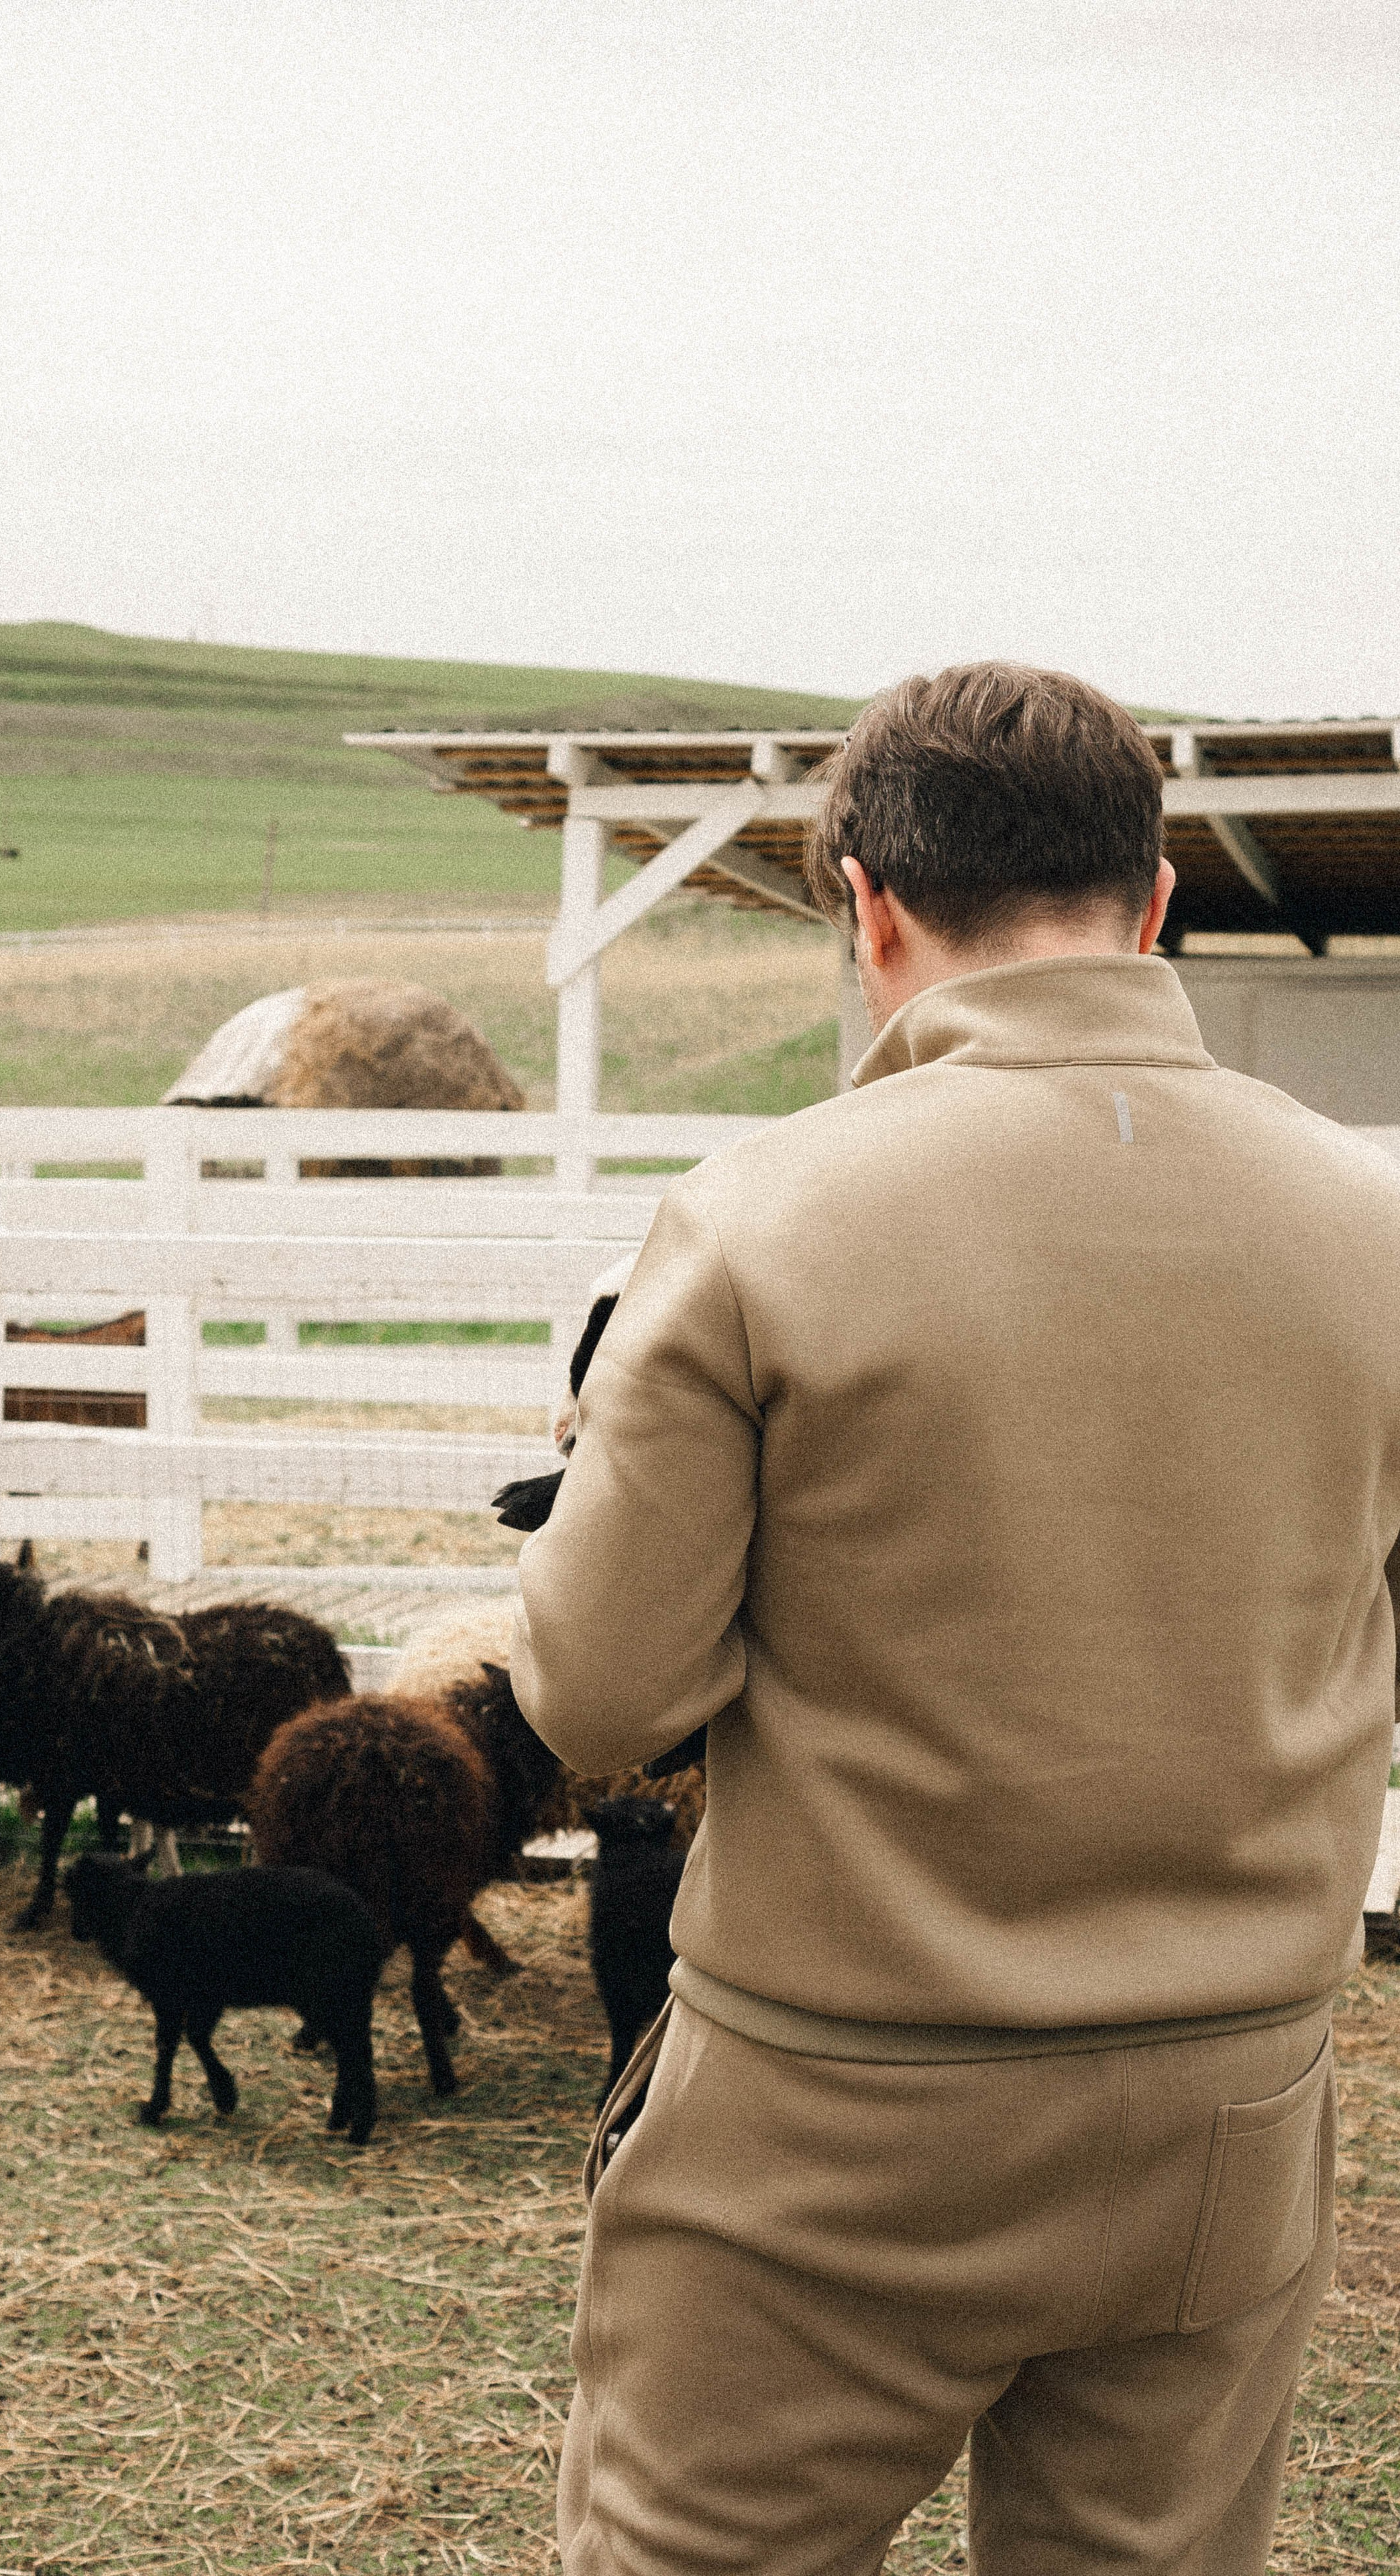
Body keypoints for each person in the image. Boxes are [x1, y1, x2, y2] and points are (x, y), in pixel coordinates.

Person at [509, 662, 1400, 2576]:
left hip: (839, 2103)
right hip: (1227, 2103)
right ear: (1155, 899)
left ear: (869, 905)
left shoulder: (762, 1220)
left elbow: (595, 1691)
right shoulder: (1369, 1222)